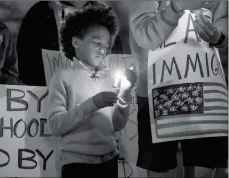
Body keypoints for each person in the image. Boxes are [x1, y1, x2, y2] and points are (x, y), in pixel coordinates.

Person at [126, 0, 228, 177]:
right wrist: (176, 7)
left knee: (204, 166)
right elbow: (143, 35)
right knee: (160, 167)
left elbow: (224, 23)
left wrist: (219, 38)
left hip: (207, 90)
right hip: (158, 92)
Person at [46, 7, 136, 178]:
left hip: (110, 159)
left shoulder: (111, 78)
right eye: (96, 43)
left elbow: (117, 125)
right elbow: (55, 126)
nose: (103, 49)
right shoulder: (62, 77)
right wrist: (93, 104)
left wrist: (124, 94)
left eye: (107, 45)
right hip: (76, 163)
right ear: (75, 42)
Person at [17, 1, 123, 87]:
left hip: (98, 92)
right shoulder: (40, 12)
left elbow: (115, 55)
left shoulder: (105, 12)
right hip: (49, 96)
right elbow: (26, 62)